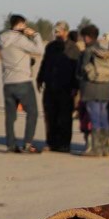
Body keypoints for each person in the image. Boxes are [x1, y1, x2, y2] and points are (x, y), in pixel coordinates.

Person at [0, 14, 44, 153]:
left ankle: (11, 144)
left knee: (10, 116)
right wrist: (35, 35)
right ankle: (28, 143)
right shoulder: (20, 39)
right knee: (32, 112)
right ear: (20, 24)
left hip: (8, 82)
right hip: (22, 81)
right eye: (24, 24)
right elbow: (39, 50)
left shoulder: (1, 38)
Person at [38, 22, 80, 153]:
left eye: (59, 31)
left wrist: (76, 87)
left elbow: (76, 69)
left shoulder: (73, 48)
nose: (56, 33)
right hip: (50, 87)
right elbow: (44, 63)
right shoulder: (50, 47)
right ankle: (51, 142)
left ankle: (64, 144)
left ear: (65, 32)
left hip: (66, 88)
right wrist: (40, 78)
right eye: (55, 31)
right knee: (50, 116)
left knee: (65, 117)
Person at [75, 24, 109, 156]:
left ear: (87, 37)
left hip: (91, 89)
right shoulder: (104, 51)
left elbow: (81, 71)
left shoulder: (88, 51)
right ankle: (105, 148)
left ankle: (96, 149)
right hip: (106, 89)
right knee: (104, 117)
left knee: (95, 118)